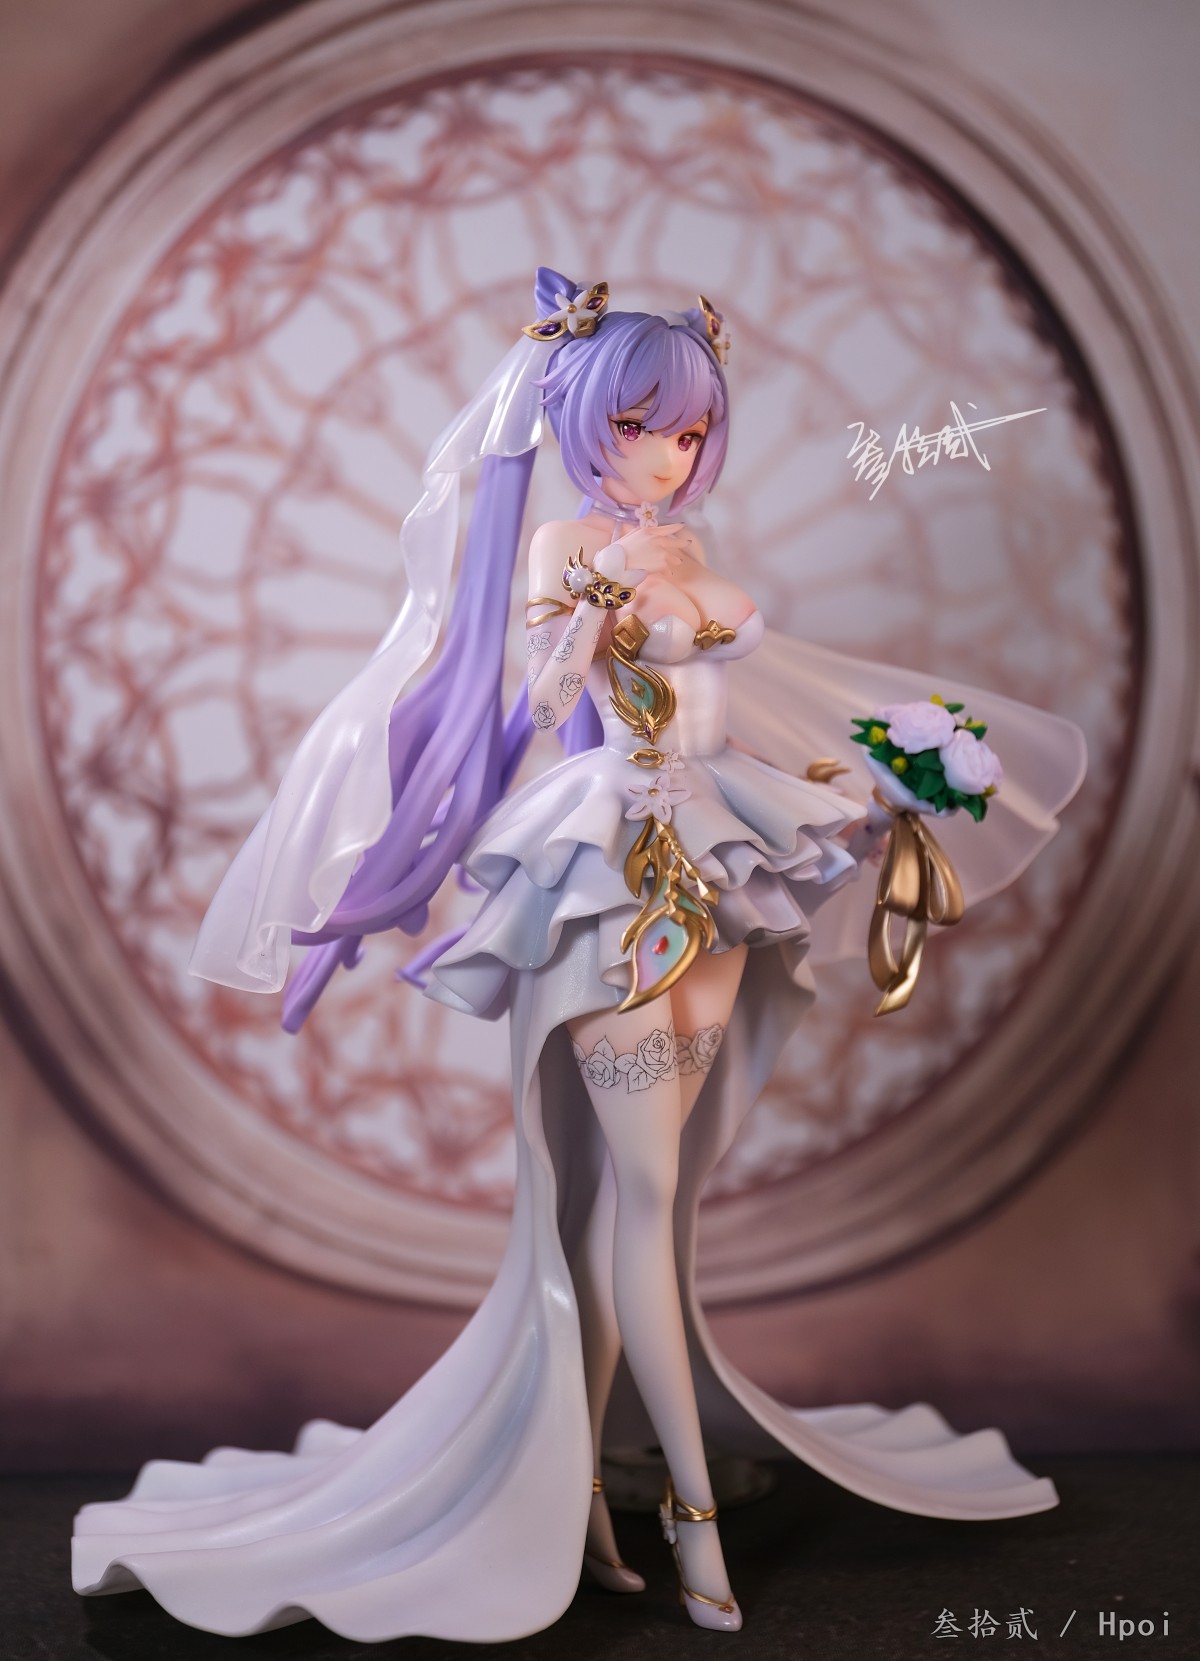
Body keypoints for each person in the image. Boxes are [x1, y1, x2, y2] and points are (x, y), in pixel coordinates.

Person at [72, 269, 1087, 1642]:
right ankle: (688, 1510)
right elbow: (551, 695)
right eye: (640, 425)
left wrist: (860, 790)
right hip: (610, 868)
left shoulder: (689, 540)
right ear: (582, 420)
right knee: (639, 1194)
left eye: (688, 430)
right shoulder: (565, 543)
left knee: (642, 1205)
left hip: (714, 862)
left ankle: (590, 1489)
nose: (665, 452)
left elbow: (729, 704)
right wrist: (581, 632)